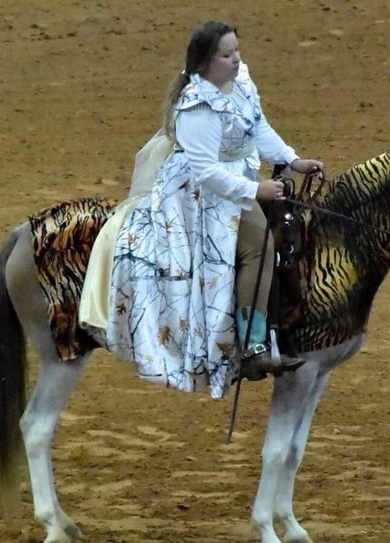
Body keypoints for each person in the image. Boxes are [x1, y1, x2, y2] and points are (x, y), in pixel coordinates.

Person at [95, 21, 324, 398]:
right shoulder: (197, 107)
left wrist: (292, 159)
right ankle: (252, 345)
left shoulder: (241, 81)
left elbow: (257, 127)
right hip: (201, 194)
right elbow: (206, 173)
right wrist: (258, 189)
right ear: (206, 61)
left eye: (237, 51)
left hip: (237, 177)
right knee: (257, 247)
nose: (236, 59)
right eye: (227, 54)